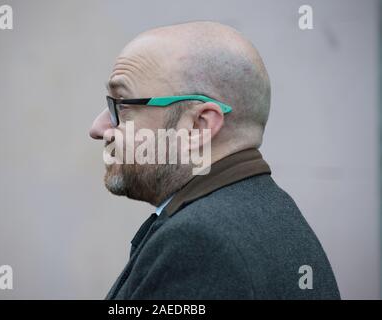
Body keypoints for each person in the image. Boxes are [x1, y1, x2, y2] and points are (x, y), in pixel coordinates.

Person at [89, 21, 340, 299]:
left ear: (199, 125)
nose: (98, 128)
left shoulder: (199, 243)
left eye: (122, 105)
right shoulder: (271, 214)